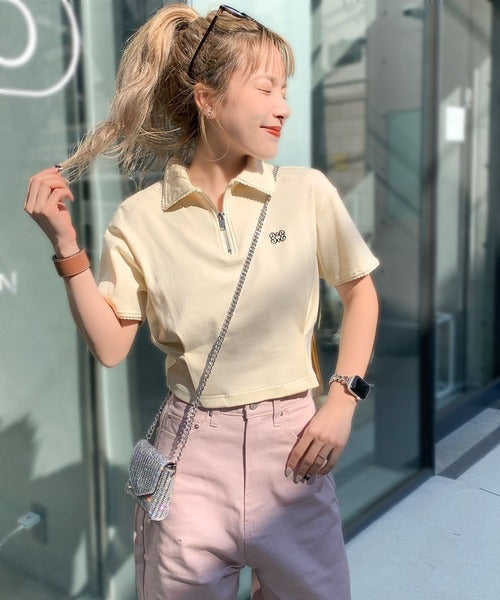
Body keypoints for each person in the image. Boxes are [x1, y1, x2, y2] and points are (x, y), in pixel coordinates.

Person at [24, 4, 379, 599]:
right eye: (265, 87)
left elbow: (360, 291)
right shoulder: (139, 218)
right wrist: (66, 246)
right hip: (189, 460)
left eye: (284, 90)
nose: (283, 106)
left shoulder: (306, 192)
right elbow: (111, 346)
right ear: (207, 100)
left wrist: (343, 402)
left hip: (293, 452)